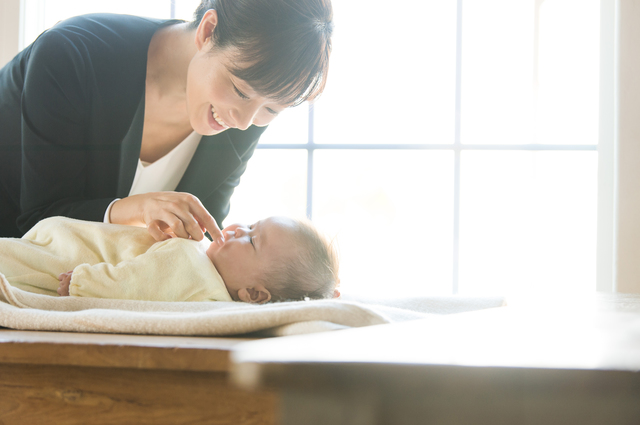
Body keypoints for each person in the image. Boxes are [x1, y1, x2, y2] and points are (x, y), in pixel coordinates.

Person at [0, 0, 333, 244]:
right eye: (241, 92)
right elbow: (39, 221)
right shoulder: (72, 55)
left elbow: (195, 239)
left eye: (272, 109)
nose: (244, 123)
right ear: (208, 30)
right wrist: (136, 209)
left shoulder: (243, 115)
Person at [0, 216, 339, 304]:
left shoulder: (191, 261)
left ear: (254, 294)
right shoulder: (206, 280)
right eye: (251, 224)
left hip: (67, 255)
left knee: (12, 263)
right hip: (67, 245)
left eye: (251, 240)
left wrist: (85, 283)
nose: (237, 229)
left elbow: (131, 284)